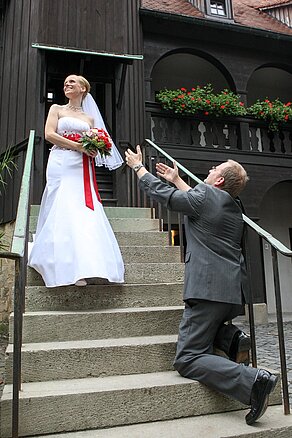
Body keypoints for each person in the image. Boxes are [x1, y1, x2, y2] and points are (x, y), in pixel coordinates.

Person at [125, 145, 278, 425]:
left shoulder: (207, 196)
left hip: (207, 289)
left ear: (219, 180)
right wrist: (176, 178)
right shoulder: (233, 204)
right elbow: (197, 203)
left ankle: (253, 381)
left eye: (214, 169)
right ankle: (230, 339)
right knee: (207, 335)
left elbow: (172, 199)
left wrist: (140, 168)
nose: (209, 170)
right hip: (230, 292)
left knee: (188, 358)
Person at [28, 74, 124, 287]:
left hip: (81, 166)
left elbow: (99, 144)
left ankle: (87, 264)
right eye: (65, 83)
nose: (67, 84)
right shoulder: (57, 109)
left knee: (80, 207)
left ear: (83, 89)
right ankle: (59, 263)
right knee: (61, 203)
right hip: (60, 161)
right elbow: (49, 134)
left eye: (72, 82)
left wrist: (92, 150)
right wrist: (78, 146)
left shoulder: (90, 120)